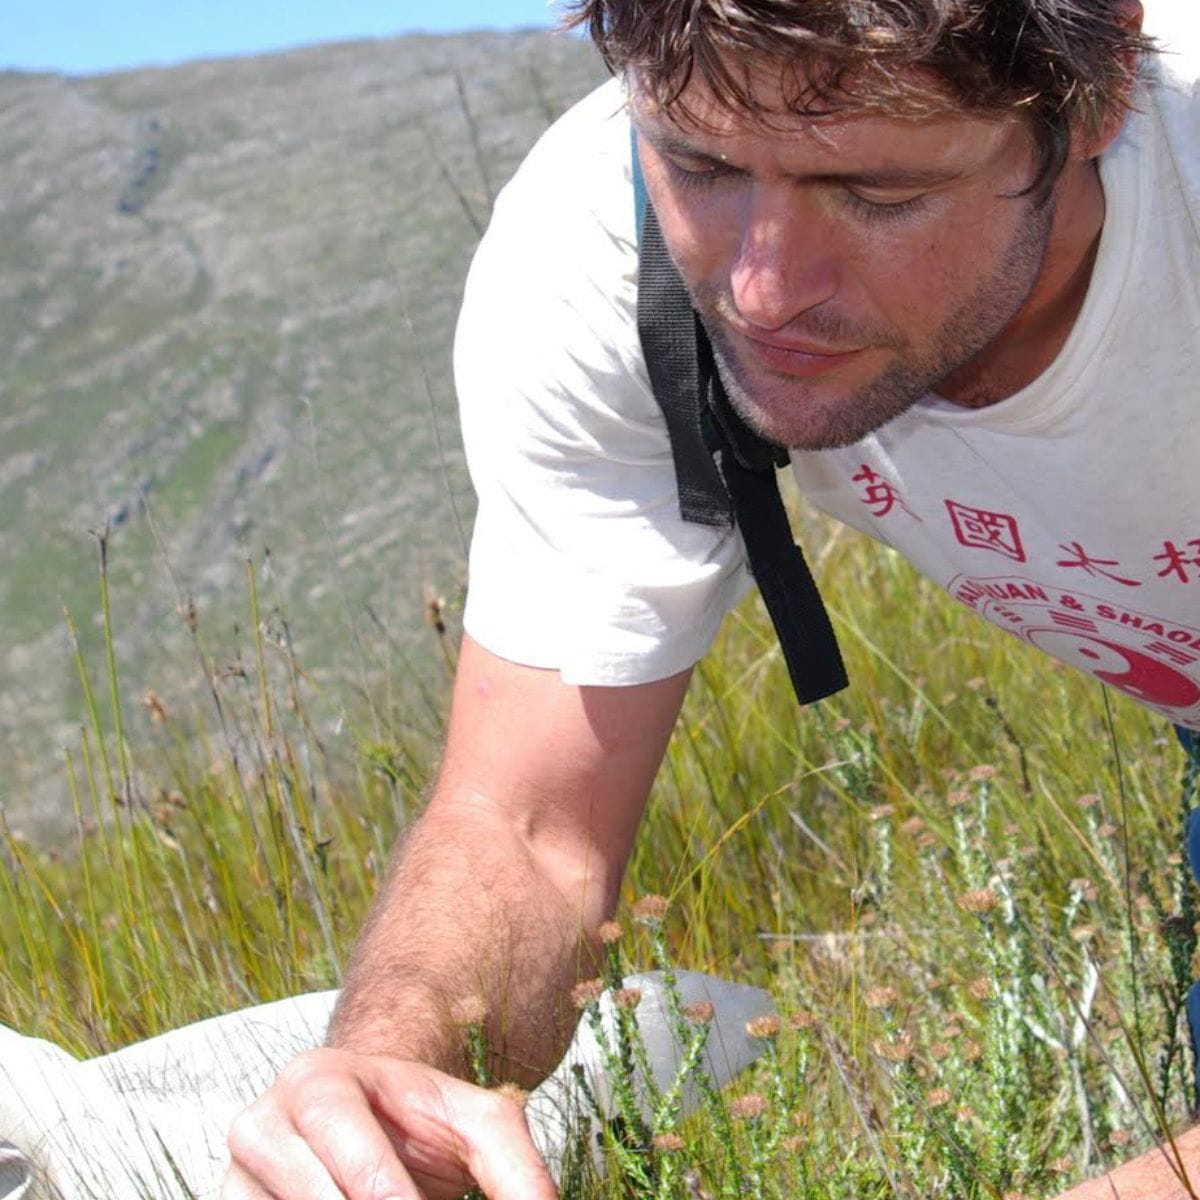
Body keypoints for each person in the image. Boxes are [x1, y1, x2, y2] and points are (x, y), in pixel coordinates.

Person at [222, 0, 1200, 1197]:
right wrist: (391, 1080)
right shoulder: (595, 255)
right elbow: (533, 831)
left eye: (877, 193)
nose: (763, 287)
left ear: (1096, 100)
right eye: (700, 162)